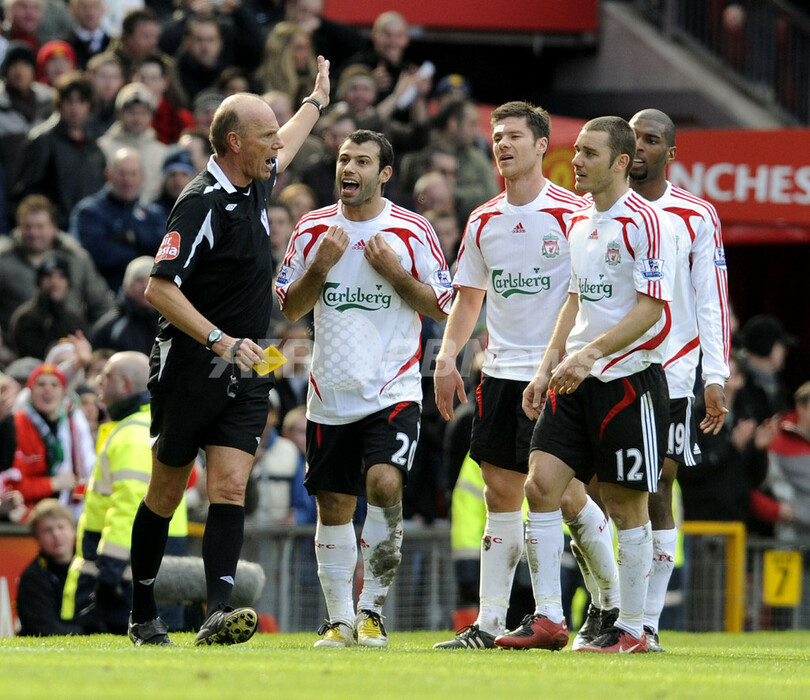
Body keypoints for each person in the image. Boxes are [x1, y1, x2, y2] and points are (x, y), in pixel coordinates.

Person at [126, 55, 332, 647]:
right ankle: (143, 614)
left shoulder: (254, 177)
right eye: (265, 136)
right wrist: (219, 339)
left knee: (231, 487)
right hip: (194, 364)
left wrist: (315, 102)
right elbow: (157, 288)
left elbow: (288, 143)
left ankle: (218, 612)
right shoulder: (199, 204)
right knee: (166, 493)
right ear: (235, 142)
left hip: (248, 365)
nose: (276, 146)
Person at [495, 116, 676, 654]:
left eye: (590, 153)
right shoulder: (579, 224)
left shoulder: (644, 222)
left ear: (621, 162)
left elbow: (652, 311)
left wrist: (593, 353)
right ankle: (548, 617)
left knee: (626, 507)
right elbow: (574, 300)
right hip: (574, 380)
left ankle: (635, 628)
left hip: (627, 381)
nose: (576, 161)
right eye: (576, 151)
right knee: (540, 486)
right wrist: (547, 365)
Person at [274, 129, 452, 647]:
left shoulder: (411, 230)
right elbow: (289, 307)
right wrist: (321, 267)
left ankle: (371, 609)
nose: (348, 168)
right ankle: (339, 619)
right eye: (344, 159)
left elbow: (440, 304)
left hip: (392, 389)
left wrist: (396, 274)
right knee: (334, 506)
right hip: (330, 394)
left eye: (362, 161)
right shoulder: (311, 231)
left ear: (385, 173)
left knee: (384, 484)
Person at [431, 101, 585, 649]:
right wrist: (448, 356)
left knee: (562, 497)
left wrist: (566, 363)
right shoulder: (483, 218)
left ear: (542, 145)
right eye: (497, 136)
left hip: (556, 375)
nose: (503, 144)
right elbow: (469, 297)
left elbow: (586, 297)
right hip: (498, 372)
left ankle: (605, 608)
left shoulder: (573, 213)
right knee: (500, 493)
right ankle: (490, 622)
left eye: (515, 136)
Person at [622, 108, 730, 651]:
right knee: (606, 491)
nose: (639, 147)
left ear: (671, 152)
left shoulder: (695, 215)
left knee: (660, 481)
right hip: (611, 366)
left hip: (675, 370)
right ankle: (611, 611)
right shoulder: (601, 209)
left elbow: (711, 299)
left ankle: (648, 622)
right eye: (634, 136)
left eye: (651, 139)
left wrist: (717, 372)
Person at [61, 351, 189, 634]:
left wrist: (109, 574)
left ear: (126, 385)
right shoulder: (146, 426)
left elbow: (130, 506)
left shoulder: (132, 434)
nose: (98, 381)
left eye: (106, 376)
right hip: (148, 572)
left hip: (123, 583)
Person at [0, 194, 114, 332]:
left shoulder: (76, 258)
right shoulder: (4, 260)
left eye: (40, 227)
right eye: (28, 227)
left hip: (71, 344)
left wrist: (92, 341)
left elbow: (102, 305)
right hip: (18, 345)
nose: (34, 233)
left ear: (53, 227)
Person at [13, 71, 106, 229]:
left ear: (89, 106)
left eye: (81, 102)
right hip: (52, 232)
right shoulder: (42, 140)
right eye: (69, 101)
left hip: (89, 228)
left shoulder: (94, 147)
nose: (74, 108)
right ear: (59, 104)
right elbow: (28, 193)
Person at [70, 147, 165, 293]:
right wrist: (145, 256)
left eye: (133, 174)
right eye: (122, 174)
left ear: (142, 177)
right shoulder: (89, 212)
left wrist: (133, 236)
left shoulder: (154, 214)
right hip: (105, 292)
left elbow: (166, 252)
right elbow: (96, 255)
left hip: (151, 298)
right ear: (109, 175)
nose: (128, 181)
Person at [12, 362, 95, 518]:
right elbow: (14, 487)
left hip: (65, 512)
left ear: (63, 392)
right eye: (41, 384)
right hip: (26, 517)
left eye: (54, 385)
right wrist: (53, 484)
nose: (48, 389)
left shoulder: (72, 423)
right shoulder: (18, 424)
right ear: (30, 391)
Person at [16, 498, 85, 635]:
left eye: (61, 527)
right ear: (37, 538)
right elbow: (43, 627)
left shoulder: (90, 568)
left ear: (73, 530)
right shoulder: (34, 577)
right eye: (47, 530)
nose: (56, 535)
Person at [97, 82, 167, 203]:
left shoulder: (163, 153)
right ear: (120, 113)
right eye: (132, 112)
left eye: (143, 113)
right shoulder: (101, 148)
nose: (137, 118)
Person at [9, 252, 89, 358]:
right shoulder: (26, 317)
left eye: (61, 276)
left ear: (68, 282)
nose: (54, 282)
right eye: (49, 276)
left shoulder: (75, 319)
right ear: (39, 281)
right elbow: (29, 354)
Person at [0, 41, 54, 193]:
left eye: (25, 64)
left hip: (45, 193)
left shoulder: (51, 102)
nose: (19, 71)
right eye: (14, 65)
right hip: (8, 193)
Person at [89, 255, 158, 355]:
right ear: (128, 285)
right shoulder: (110, 326)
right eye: (139, 281)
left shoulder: (170, 322)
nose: (145, 287)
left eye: (151, 281)